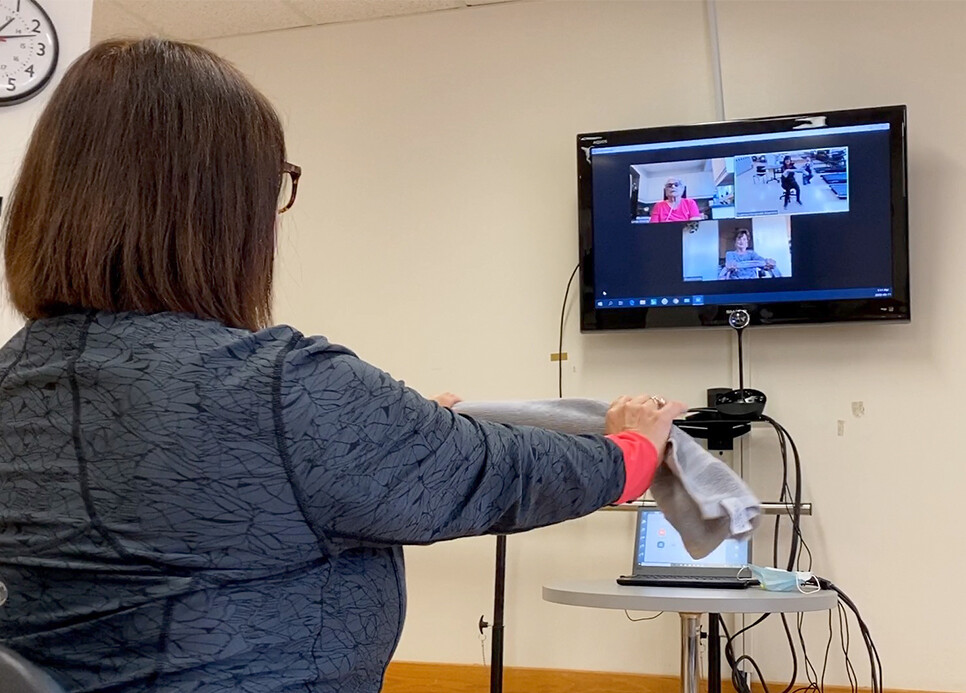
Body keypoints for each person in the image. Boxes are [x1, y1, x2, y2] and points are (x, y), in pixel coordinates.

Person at [0, 39, 688, 693]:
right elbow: (494, 472)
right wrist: (629, 452)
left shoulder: (13, 380)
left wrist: (396, 431)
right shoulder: (277, 386)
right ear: (221, 207)